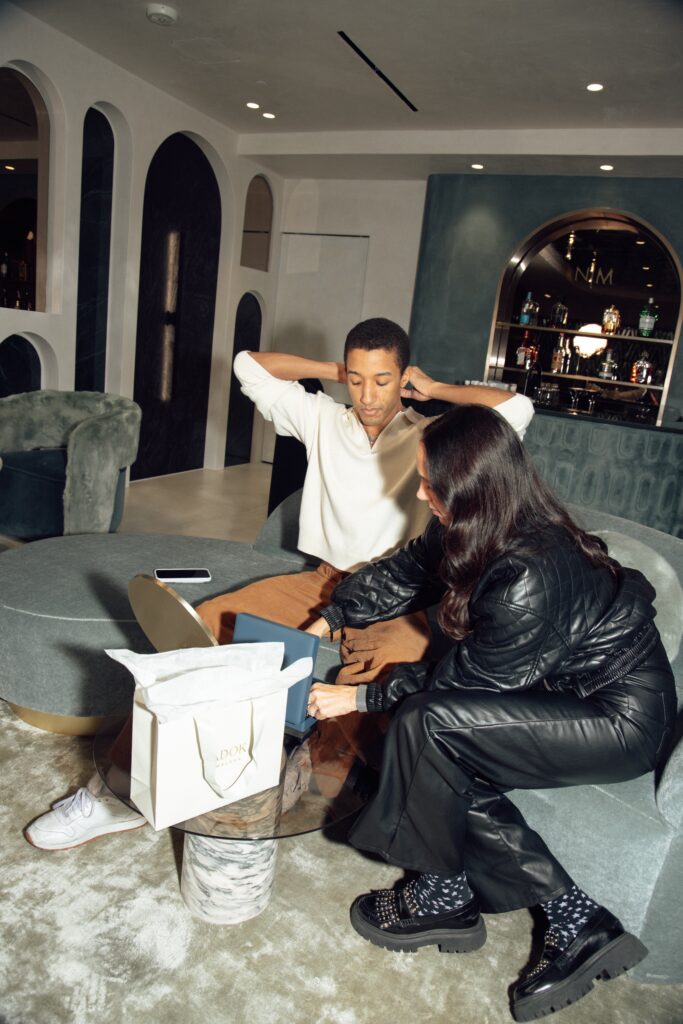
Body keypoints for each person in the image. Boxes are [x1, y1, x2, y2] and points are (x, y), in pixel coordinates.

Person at [25, 319, 534, 850]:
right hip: (325, 582)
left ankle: (310, 776)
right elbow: (248, 366)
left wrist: (433, 389)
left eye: (382, 380)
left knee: (395, 694)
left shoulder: (430, 437)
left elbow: (517, 410)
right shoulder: (322, 418)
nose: (367, 395)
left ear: (403, 376)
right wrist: (333, 371)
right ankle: (118, 794)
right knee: (207, 628)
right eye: (356, 379)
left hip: (406, 601)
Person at [303, 404, 676, 1022]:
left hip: (618, 718)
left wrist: (362, 696)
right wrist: (331, 616)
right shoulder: (475, 522)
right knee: (434, 750)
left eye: (429, 484)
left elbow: (459, 687)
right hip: (554, 689)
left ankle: (564, 918)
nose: (419, 493)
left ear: (470, 489)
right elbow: (408, 569)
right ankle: (454, 895)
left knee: (427, 727)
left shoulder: (533, 572)